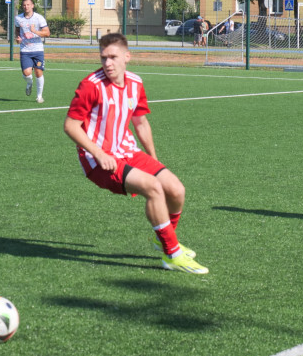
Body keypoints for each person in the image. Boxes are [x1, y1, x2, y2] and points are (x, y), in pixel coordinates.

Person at [64, 33, 208, 274]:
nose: (107, 63)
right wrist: (98, 154)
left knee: (176, 189)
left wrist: (153, 157)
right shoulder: (91, 86)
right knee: (153, 187)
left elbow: (140, 123)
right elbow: (70, 126)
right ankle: (171, 254)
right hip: (98, 160)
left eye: (113, 57)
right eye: (103, 58)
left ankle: (162, 238)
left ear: (127, 57)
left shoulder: (135, 83)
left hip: (127, 150)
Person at [14, 0, 50, 104]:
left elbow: (47, 33)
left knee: (38, 72)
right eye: (24, 5)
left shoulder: (39, 18)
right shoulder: (18, 18)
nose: (26, 7)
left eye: (28, 5)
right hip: (25, 50)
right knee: (27, 73)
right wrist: (18, 38)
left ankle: (39, 96)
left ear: (32, 5)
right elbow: (17, 30)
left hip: (38, 50)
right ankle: (29, 83)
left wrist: (35, 31)